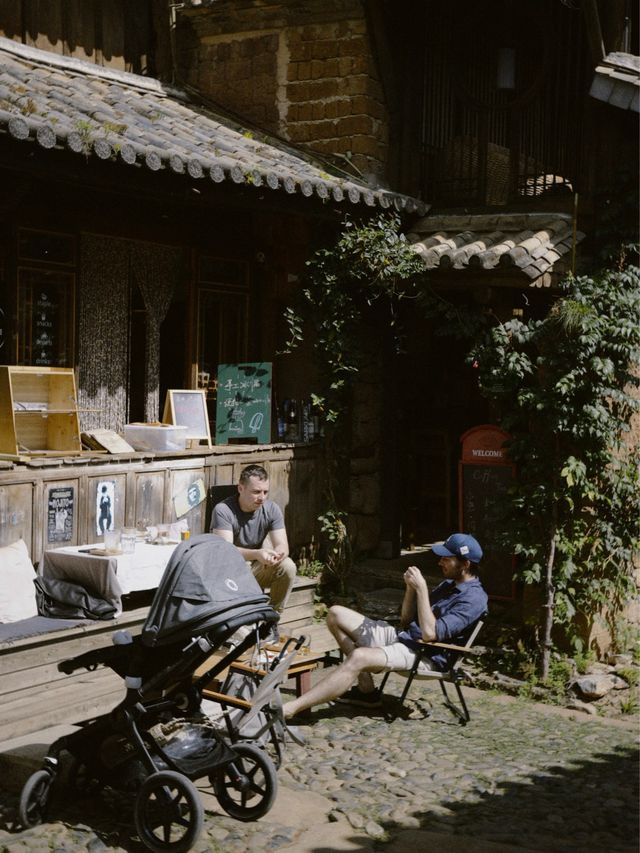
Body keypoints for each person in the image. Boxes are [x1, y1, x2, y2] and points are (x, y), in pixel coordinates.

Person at [282, 532, 487, 719]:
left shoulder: (474, 599)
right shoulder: (448, 584)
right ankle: (367, 692)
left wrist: (423, 589)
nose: (440, 562)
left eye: (447, 559)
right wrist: (410, 589)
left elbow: (429, 634)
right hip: (406, 638)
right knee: (335, 614)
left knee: (359, 657)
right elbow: (406, 621)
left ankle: (292, 708)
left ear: (465, 564)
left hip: (425, 654)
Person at [211, 464, 297, 642]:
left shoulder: (271, 509)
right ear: (241, 488)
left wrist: (277, 555)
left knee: (287, 566)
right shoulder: (224, 510)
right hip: (229, 575)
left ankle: (271, 619)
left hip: (257, 568)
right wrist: (257, 553)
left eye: (265, 492)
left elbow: (283, 546)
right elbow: (226, 551)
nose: (262, 498)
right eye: (256, 492)